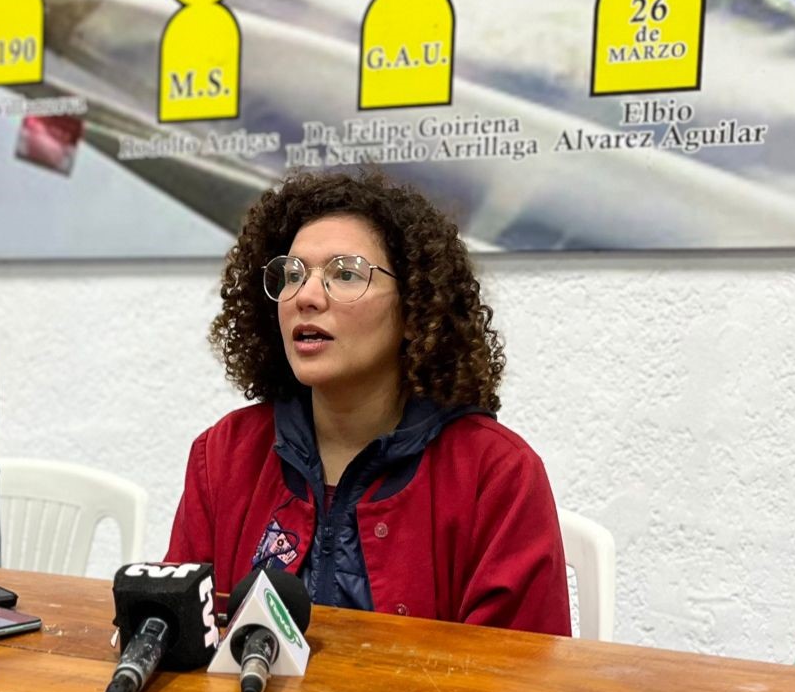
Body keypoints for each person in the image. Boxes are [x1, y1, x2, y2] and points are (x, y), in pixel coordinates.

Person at [165, 170, 571, 633]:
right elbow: (176, 640)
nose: (307, 296)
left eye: (345, 274)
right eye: (292, 274)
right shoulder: (224, 455)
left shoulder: (496, 475)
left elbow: (521, 687)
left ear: (415, 309)